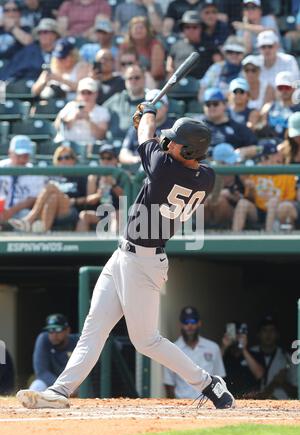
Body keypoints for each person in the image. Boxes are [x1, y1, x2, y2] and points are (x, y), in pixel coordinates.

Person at [16, 104, 235, 410]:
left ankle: (208, 383)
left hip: (144, 262)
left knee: (146, 341)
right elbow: (161, 147)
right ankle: (60, 391)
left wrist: (148, 111)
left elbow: (147, 139)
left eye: (174, 142)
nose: (167, 143)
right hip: (124, 254)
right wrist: (149, 128)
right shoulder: (206, 177)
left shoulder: (163, 168)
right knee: (94, 327)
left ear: (186, 150)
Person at [8, 145, 88, 233]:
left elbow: (88, 198)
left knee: (51, 187)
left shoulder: (80, 176)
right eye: (59, 158)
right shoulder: (51, 176)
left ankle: (29, 219)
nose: (63, 161)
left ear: (73, 160)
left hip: (69, 208)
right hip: (50, 207)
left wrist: (74, 201)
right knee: (53, 197)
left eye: (67, 157)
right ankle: (44, 233)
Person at [232, 143, 297, 232]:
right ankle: (235, 237)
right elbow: (250, 198)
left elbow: (291, 199)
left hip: (278, 210)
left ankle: (268, 236)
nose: (262, 161)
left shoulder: (287, 175)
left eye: (265, 158)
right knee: (242, 203)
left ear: (276, 157)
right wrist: (250, 189)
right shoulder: (256, 173)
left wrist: (275, 201)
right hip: (259, 211)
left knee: (273, 202)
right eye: (261, 158)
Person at [164, 306, 226, 399]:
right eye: (186, 322)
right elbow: (169, 384)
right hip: (182, 406)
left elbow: (220, 380)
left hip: (209, 407)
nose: (190, 325)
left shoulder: (213, 348)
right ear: (181, 324)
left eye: (193, 321)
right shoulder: (171, 350)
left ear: (199, 323)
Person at [119, 88, 175, 172]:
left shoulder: (174, 128)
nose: (154, 108)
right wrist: (136, 160)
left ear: (166, 106)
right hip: (138, 172)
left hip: (163, 171)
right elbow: (123, 155)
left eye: (158, 104)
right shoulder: (137, 126)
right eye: (150, 105)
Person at [76, 143, 124, 233]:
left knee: (117, 215)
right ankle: (80, 246)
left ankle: (113, 245)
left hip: (117, 211)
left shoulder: (123, 175)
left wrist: (113, 185)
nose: (106, 161)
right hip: (100, 212)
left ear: (116, 160)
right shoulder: (94, 177)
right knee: (84, 215)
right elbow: (89, 200)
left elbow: (126, 199)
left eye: (109, 158)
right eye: (103, 158)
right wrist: (98, 195)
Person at [0, 135, 46, 229]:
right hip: (1, 209)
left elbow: (33, 198)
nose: (21, 159)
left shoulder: (35, 172)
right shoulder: (1, 167)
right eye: (18, 155)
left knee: (32, 221)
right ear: (10, 153)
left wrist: (11, 211)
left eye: (25, 156)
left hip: (22, 212)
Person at [202, 87, 258, 159]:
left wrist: (244, 151)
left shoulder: (237, 127)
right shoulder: (198, 127)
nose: (211, 107)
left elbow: (259, 149)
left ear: (224, 105)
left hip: (232, 167)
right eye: (208, 104)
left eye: (215, 104)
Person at [29, 314, 79, 392]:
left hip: (76, 386)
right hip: (53, 384)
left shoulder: (78, 341)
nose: (54, 334)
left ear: (67, 330)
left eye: (58, 329)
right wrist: (62, 388)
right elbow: (42, 372)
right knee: (37, 385)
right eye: (51, 330)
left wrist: (73, 389)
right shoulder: (44, 340)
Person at [252, 315, 298, 399]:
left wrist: (283, 383)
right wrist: (274, 383)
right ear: (258, 334)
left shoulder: (288, 357)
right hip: (253, 407)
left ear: (277, 334)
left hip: (282, 408)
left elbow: (297, 394)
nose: (268, 334)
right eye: (265, 330)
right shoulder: (249, 355)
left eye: (272, 330)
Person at [0, 17, 60, 81]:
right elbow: (11, 71)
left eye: (45, 32)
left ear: (55, 35)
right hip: (28, 87)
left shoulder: (62, 52)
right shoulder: (30, 51)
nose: (42, 35)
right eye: (40, 32)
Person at [32, 36, 90, 101]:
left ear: (73, 55)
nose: (60, 61)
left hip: (73, 103)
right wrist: (43, 82)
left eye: (64, 58)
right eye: (58, 58)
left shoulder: (82, 66)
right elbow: (34, 91)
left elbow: (83, 88)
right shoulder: (51, 68)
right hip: (53, 103)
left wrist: (60, 80)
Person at [54, 77, 110, 144]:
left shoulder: (102, 111)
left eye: (89, 93)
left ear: (96, 94)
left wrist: (88, 120)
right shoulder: (70, 106)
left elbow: (101, 136)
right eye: (83, 93)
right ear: (78, 93)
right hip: (67, 146)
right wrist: (73, 118)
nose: (86, 96)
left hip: (88, 148)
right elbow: (57, 126)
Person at [222, 321, 265, 398]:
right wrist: (224, 346)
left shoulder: (255, 354)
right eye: (234, 334)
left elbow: (260, 374)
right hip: (227, 401)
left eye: (239, 334)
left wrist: (243, 349)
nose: (236, 337)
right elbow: (210, 369)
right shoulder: (223, 356)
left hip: (249, 401)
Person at [166, 10, 213, 81]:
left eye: (195, 27)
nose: (191, 30)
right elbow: (169, 68)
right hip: (180, 83)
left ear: (201, 29)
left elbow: (218, 65)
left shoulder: (209, 45)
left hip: (203, 84)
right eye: (187, 27)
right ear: (183, 29)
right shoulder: (175, 46)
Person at [103, 64, 146, 140]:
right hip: (112, 146)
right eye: (130, 78)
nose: (133, 81)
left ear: (144, 79)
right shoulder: (116, 99)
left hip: (137, 146)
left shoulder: (151, 100)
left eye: (137, 78)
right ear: (125, 81)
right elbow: (99, 115)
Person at [119, 16, 165, 83]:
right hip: (128, 79)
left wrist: (139, 76)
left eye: (141, 28)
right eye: (135, 28)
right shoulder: (125, 46)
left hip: (150, 81)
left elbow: (157, 73)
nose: (138, 30)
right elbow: (118, 68)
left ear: (147, 30)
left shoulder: (155, 46)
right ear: (130, 31)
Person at [257, 71, 300, 140]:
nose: (284, 90)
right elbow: (260, 128)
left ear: (294, 88)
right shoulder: (268, 107)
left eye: (287, 87)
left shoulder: (298, 109)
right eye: (280, 87)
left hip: (291, 147)